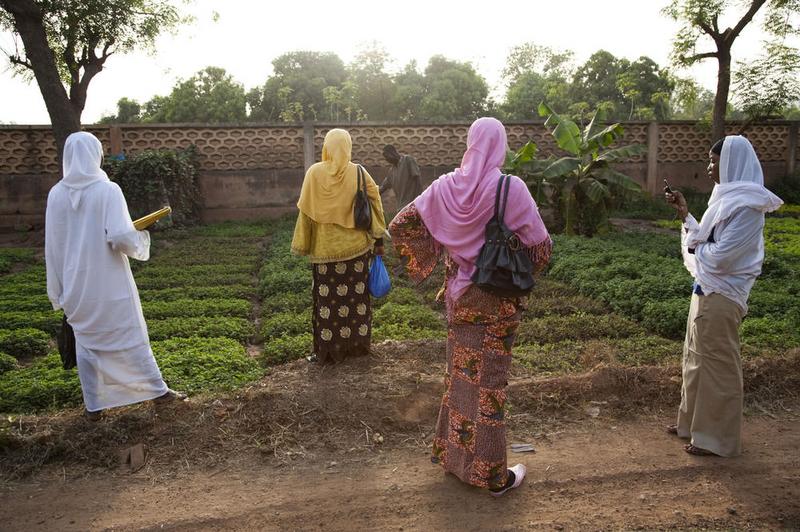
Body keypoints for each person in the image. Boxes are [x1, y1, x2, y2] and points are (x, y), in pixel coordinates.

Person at [389, 117, 552, 495]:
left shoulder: (445, 186)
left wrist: (438, 254)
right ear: (500, 145)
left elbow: (401, 225)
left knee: (461, 379)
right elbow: (542, 248)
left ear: (470, 143)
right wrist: (518, 264)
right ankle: (494, 477)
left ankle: (455, 460)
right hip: (498, 303)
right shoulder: (511, 189)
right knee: (490, 386)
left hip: (459, 299)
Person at [45, 132, 183, 420]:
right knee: (129, 334)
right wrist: (141, 236)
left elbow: (53, 245)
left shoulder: (56, 194)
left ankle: (93, 406)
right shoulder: (107, 190)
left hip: (74, 284)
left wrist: (59, 289)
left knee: (87, 344)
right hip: (107, 280)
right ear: (95, 155)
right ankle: (157, 392)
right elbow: (120, 236)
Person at [665, 135, 783, 457]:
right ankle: (691, 425)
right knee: (695, 358)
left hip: (723, 295)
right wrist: (685, 215)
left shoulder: (748, 209)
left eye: (714, 161)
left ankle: (716, 439)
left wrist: (698, 246)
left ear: (731, 163)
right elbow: (705, 243)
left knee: (718, 365)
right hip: (705, 290)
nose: (709, 167)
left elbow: (720, 258)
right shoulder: (725, 200)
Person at [292, 129, 387, 363]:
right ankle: (357, 348)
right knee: (356, 301)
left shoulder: (314, 173)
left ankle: (328, 352)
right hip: (357, 252)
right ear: (348, 147)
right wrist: (379, 240)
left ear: (326, 147)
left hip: (324, 254)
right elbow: (376, 204)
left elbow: (305, 214)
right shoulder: (359, 172)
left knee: (328, 304)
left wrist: (303, 243)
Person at [379, 144, 422, 212]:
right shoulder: (392, 171)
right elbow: (383, 187)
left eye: (387, 156)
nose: (386, 160)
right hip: (401, 208)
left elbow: (417, 179)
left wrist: (419, 199)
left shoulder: (407, 160)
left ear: (392, 153)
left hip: (413, 205)